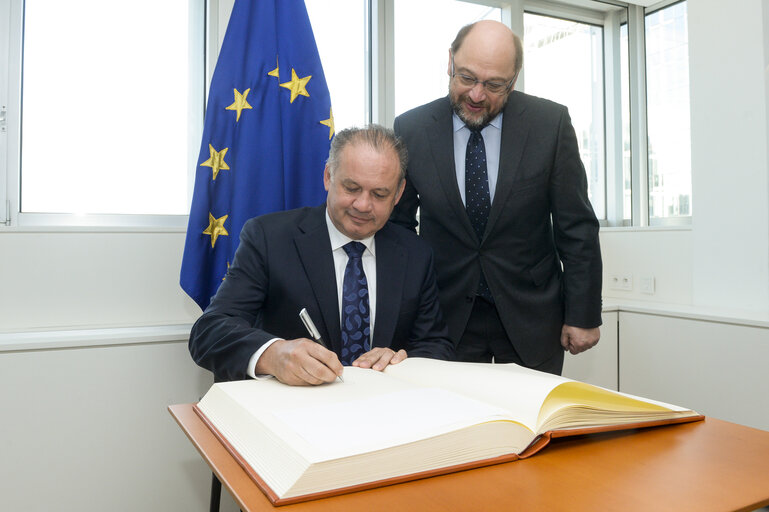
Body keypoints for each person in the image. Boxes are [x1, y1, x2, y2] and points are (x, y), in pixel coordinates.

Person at [390, 20, 602, 375]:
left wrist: (583, 314)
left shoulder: (550, 124)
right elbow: (398, 228)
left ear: (514, 79)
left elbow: (576, 226)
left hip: (532, 316)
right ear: (450, 63)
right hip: (444, 318)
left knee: (535, 427)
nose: (476, 95)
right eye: (467, 78)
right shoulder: (411, 129)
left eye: (494, 85)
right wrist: (402, 313)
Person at [189, 125, 454, 385]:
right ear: (328, 177)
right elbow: (209, 332)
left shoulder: (415, 253)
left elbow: (435, 346)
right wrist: (273, 354)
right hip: (291, 411)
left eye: (379, 194)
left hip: (378, 411)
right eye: (351, 188)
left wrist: (401, 360)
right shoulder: (269, 238)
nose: (363, 205)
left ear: (397, 194)